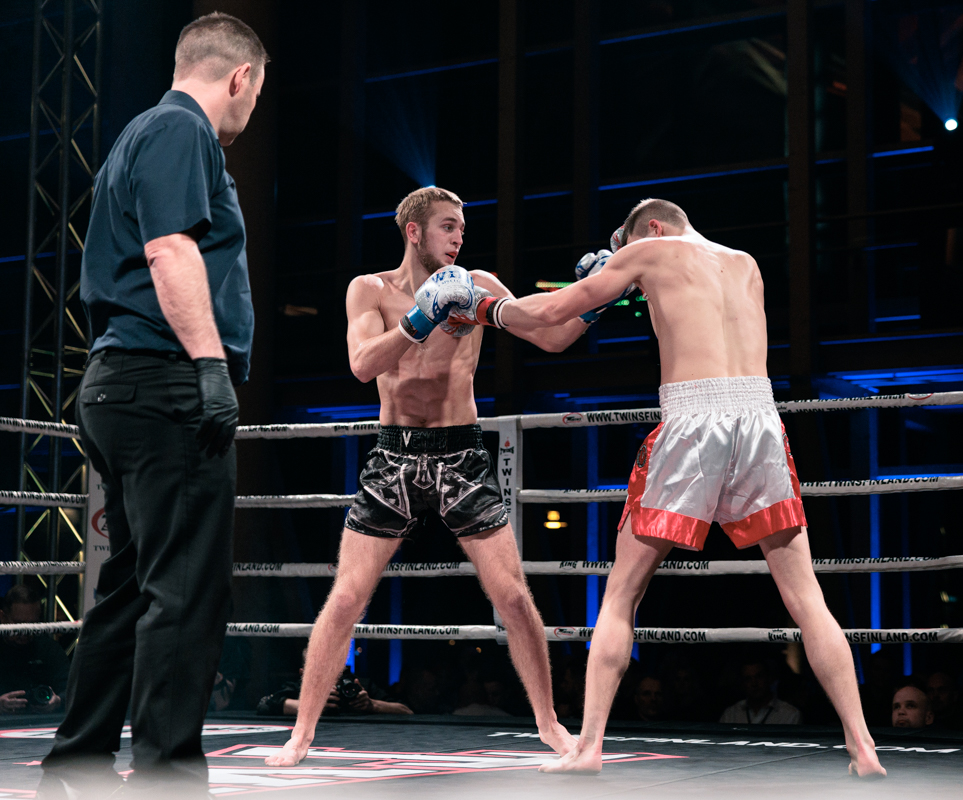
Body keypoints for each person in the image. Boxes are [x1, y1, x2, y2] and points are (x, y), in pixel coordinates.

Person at [467, 198, 886, 777]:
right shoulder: (745, 263)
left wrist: (482, 307)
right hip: (760, 421)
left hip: (693, 422)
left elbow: (552, 315)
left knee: (621, 594)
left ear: (653, 228)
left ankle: (588, 748)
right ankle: (863, 747)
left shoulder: (649, 250)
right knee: (807, 597)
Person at [265, 186, 588, 767]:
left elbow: (550, 334)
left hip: (461, 452)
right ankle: (302, 735)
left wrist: (595, 298)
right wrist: (422, 318)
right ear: (414, 231)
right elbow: (362, 364)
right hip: (394, 454)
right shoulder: (370, 290)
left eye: (462, 227)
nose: (459, 237)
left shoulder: (477, 287)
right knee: (346, 598)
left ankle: (550, 725)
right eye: (447, 226)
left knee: (514, 597)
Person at [39, 12, 266, 794]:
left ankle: (77, 765)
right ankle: (166, 777)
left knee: (134, 584)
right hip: (161, 381)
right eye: (255, 94)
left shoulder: (139, 133)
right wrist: (210, 366)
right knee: (186, 588)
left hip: (123, 385)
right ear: (241, 77)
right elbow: (170, 250)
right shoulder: (180, 130)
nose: (251, 109)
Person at [257, 648, 412, 717]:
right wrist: (311, 706)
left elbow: (406, 710)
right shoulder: (299, 689)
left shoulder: (357, 687)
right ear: (303, 674)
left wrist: (372, 705)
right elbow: (264, 704)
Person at [0, 586, 69, 714]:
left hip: (42, 721)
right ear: (3, 617)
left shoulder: (48, 648)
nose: (25, 631)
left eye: (32, 624)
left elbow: (71, 689)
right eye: (19, 624)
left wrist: (58, 701)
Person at [719, 660, 801, 725]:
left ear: (769, 678)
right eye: (748, 679)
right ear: (742, 683)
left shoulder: (790, 714)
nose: (754, 683)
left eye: (759, 676)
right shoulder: (731, 714)